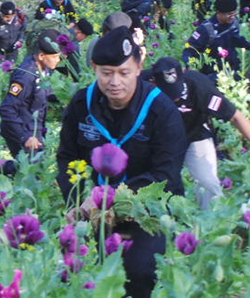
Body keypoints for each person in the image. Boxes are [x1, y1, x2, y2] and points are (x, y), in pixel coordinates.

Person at [57, 26, 186, 298]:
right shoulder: (82, 104)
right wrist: (76, 201)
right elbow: (68, 157)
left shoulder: (161, 111)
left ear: (139, 68)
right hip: (90, 210)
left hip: (146, 210)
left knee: (138, 272)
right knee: (74, 272)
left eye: (123, 72)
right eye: (106, 73)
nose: (114, 81)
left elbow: (167, 175)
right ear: (94, 68)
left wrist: (111, 198)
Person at [149, 57, 250, 209]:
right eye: (169, 93)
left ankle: (211, 224)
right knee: (158, 185)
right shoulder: (143, 85)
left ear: (183, 74)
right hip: (163, 140)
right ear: (153, 82)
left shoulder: (199, 87)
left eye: (178, 91)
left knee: (208, 184)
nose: (176, 97)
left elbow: (235, 117)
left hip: (195, 135)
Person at [0, 29, 61, 164]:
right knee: (31, 173)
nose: (59, 60)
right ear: (41, 56)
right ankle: (0, 166)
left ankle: (2, 167)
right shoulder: (25, 76)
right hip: (22, 131)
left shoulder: (44, 69)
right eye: (55, 56)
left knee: (36, 172)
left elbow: (43, 93)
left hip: (35, 129)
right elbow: (7, 109)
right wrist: (24, 137)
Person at [182, 0, 250, 82]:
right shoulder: (206, 29)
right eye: (229, 14)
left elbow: (236, 39)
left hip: (232, 70)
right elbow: (189, 50)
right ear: (219, 12)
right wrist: (190, 66)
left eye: (234, 13)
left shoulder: (233, 23)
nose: (232, 17)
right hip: (213, 75)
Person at [0, 1, 26, 66]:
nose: (4, 19)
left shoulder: (20, 18)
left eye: (7, 17)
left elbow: (23, 31)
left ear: (13, 15)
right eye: (3, 16)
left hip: (12, 53)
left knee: (9, 72)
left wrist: (20, 41)